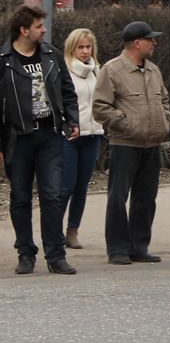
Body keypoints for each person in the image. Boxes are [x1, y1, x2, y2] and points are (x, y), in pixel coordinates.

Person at [0, 6, 80, 275]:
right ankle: (25, 253)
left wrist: (72, 120)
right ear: (24, 31)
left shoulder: (52, 55)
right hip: (17, 137)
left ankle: (56, 254)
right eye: (38, 26)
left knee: (52, 196)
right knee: (20, 197)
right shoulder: (4, 59)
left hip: (49, 135)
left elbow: (67, 92)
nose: (44, 30)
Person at [94, 21, 170, 265]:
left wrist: (165, 121)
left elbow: (165, 100)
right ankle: (117, 249)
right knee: (118, 197)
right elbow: (100, 107)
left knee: (146, 197)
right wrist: (125, 124)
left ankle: (139, 246)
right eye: (150, 39)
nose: (154, 43)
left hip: (152, 144)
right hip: (125, 144)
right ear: (137, 43)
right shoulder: (112, 70)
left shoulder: (153, 70)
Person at [61, 28, 105, 250]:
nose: (85, 51)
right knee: (65, 186)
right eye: (81, 47)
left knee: (81, 187)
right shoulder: (64, 70)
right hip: (68, 137)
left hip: (93, 134)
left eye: (88, 47)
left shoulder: (97, 70)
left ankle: (72, 231)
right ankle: (54, 231)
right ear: (72, 47)